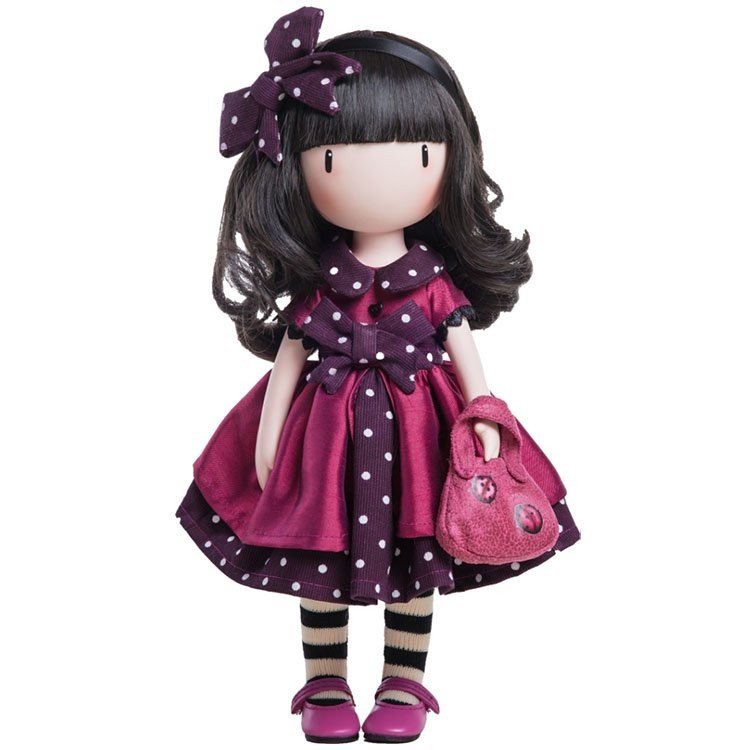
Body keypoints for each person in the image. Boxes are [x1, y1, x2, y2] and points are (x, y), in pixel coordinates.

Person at [175, 6, 581, 744]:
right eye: (336, 158)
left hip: (421, 431)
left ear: (449, 158)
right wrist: (268, 441)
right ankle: (324, 679)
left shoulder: (434, 283)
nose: (382, 173)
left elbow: (469, 363)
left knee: (422, 549)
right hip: (326, 436)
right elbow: (287, 366)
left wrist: (485, 420)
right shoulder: (319, 286)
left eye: (419, 152)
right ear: (297, 168)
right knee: (317, 550)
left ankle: (403, 681)